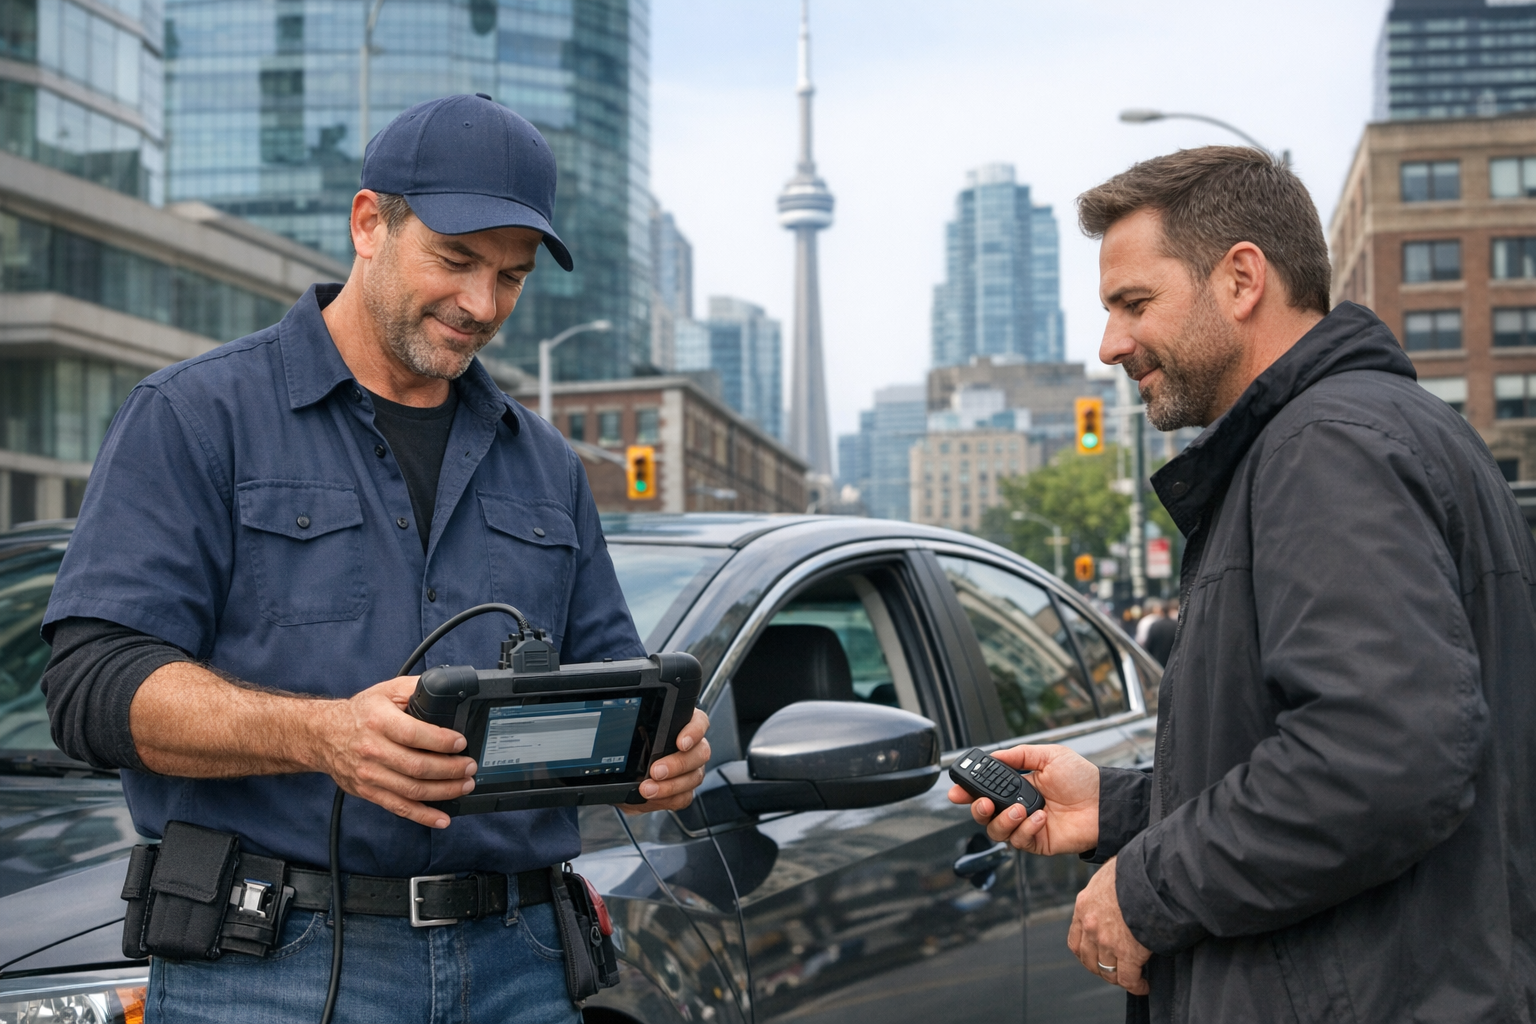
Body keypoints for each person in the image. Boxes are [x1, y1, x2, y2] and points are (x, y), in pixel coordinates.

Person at [40, 94, 711, 1023]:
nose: (482, 305)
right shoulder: (196, 416)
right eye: (456, 259)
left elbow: (609, 686)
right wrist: (323, 735)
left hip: (519, 962)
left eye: (511, 278)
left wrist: (655, 761)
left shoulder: (547, 464)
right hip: (269, 966)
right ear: (369, 223)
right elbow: (92, 690)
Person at [951, 147, 1536, 1021]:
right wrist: (1115, 810)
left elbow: (1382, 759)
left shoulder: (1325, 448)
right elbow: (1332, 742)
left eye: (1134, 303)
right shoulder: (1371, 433)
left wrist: (1142, 890)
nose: (1111, 343)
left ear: (1241, 278)